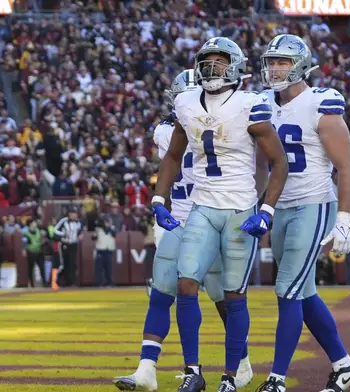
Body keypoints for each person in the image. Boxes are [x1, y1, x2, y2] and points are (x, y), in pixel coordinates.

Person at [152, 38, 289, 392]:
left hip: (239, 209)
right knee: (186, 284)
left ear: (236, 66)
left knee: (233, 295)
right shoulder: (185, 102)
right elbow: (171, 156)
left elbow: (278, 162)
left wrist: (266, 210)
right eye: (207, 61)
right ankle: (193, 372)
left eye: (219, 60)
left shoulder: (250, 104)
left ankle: (230, 376)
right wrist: (158, 198)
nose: (212, 67)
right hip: (202, 205)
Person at [113, 69, 254, 391]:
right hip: (181, 219)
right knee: (163, 293)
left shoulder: (168, 130)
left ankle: (240, 362)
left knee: (223, 298)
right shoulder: (177, 129)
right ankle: (147, 369)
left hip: (212, 214)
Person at [254, 34, 350, 392]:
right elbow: (261, 164)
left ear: (300, 64)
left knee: (286, 290)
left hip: (314, 204)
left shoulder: (320, 103)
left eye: (282, 62)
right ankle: (345, 367)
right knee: (302, 292)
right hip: (280, 206)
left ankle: (276, 379)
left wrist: (344, 219)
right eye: (271, 61)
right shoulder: (262, 103)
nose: (274, 68)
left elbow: (346, 166)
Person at [53, 206, 83, 287]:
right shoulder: (64, 221)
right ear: (69, 214)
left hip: (73, 244)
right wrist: (63, 235)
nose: (74, 215)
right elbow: (55, 230)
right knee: (64, 264)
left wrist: (79, 235)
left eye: (75, 214)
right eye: (72, 213)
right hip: (65, 244)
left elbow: (80, 230)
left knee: (72, 264)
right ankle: (59, 281)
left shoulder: (78, 222)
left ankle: (71, 282)